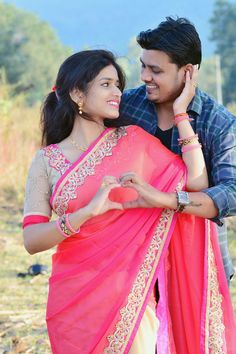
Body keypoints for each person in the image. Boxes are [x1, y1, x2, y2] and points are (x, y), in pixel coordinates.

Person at [23, 50, 236, 353]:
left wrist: (180, 115)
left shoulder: (133, 140)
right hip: (71, 299)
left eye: (118, 84)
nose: (118, 92)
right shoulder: (45, 161)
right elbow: (31, 240)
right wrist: (84, 214)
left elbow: (196, 182)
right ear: (76, 93)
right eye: (106, 84)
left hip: (129, 294)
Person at [120, 16, 236, 284]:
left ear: (187, 72)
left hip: (198, 262)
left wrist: (170, 200)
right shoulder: (127, 107)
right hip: (135, 259)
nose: (145, 76)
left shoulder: (217, 122)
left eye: (156, 71)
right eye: (143, 67)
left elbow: (232, 192)